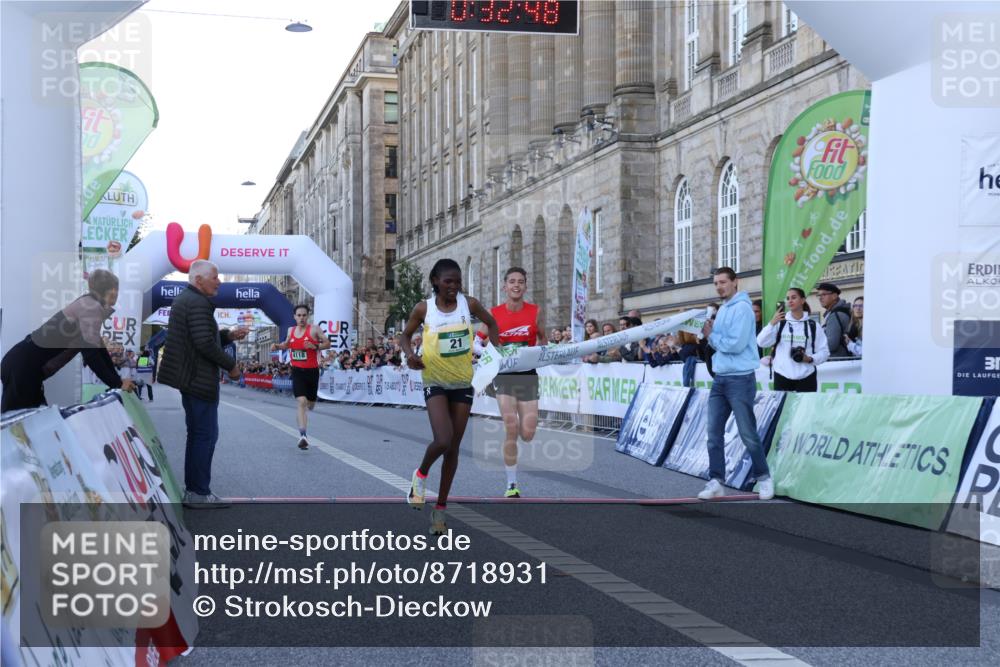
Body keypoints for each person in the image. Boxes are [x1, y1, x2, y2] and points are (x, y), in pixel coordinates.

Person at [400, 259, 500, 535]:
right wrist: (410, 356)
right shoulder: (424, 308)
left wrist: (496, 355)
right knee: (443, 440)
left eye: (457, 281)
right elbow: (405, 336)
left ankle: (440, 510)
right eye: (448, 281)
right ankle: (420, 475)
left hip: (462, 382)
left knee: (453, 448)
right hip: (434, 380)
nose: (453, 286)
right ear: (435, 281)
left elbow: (492, 324)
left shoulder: (471, 305)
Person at [158, 260, 248, 509]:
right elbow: (204, 344)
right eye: (215, 277)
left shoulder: (190, 300)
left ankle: (195, 490)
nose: (219, 282)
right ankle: (198, 492)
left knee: (199, 434)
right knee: (204, 435)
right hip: (198, 379)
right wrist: (231, 365)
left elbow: (203, 338)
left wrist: (228, 335)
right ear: (199, 280)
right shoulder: (197, 302)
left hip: (192, 377)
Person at [1, 269, 133, 411]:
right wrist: (117, 383)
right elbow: (91, 354)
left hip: (24, 367)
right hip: (22, 367)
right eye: (116, 288)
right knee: (16, 425)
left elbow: (100, 350)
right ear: (111, 290)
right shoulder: (90, 307)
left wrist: (117, 381)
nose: (117, 293)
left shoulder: (90, 305)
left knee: (36, 421)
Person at [697, 268, 773, 501]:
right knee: (713, 433)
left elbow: (736, 345)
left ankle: (765, 478)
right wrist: (707, 333)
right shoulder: (723, 310)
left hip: (740, 378)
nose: (719, 286)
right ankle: (717, 480)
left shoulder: (742, 309)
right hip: (720, 378)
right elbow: (721, 344)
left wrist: (710, 336)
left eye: (722, 282)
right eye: (716, 283)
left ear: (735, 282)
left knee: (747, 432)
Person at [485, 267, 546, 498]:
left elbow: (543, 339)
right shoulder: (494, 314)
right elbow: (480, 341)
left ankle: (523, 426)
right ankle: (512, 485)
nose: (516, 285)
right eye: (512, 281)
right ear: (505, 286)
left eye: (521, 281)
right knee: (510, 429)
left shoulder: (535, 311)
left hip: (528, 375)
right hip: (505, 377)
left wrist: (541, 352)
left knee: (527, 434)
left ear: (525, 286)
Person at [271, 304, 332, 450]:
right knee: (301, 402)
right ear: (294, 317)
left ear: (308, 316)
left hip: (312, 372)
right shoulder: (291, 330)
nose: (301, 318)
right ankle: (303, 435)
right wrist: (278, 346)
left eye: (304, 315)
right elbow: (287, 344)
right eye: (299, 315)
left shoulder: (314, 329)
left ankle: (307, 415)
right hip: (297, 371)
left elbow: (328, 343)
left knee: (310, 404)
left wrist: (315, 346)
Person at [756, 288, 829, 392]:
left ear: (803, 300)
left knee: (805, 408)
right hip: (782, 375)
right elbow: (761, 342)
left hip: (807, 376)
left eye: (794, 297)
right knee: (784, 408)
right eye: (788, 298)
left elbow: (824, 352)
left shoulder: (813, 326)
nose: (790, 301)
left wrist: (809, 359)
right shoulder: (780, 323)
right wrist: (772, 323)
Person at [816, 282, 852, 358]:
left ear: (834, 296)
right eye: (819, 295)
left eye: (824, 294)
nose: (820, 298)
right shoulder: (843, 311)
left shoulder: (835, 315)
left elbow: (831, 345)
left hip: (837, 361)